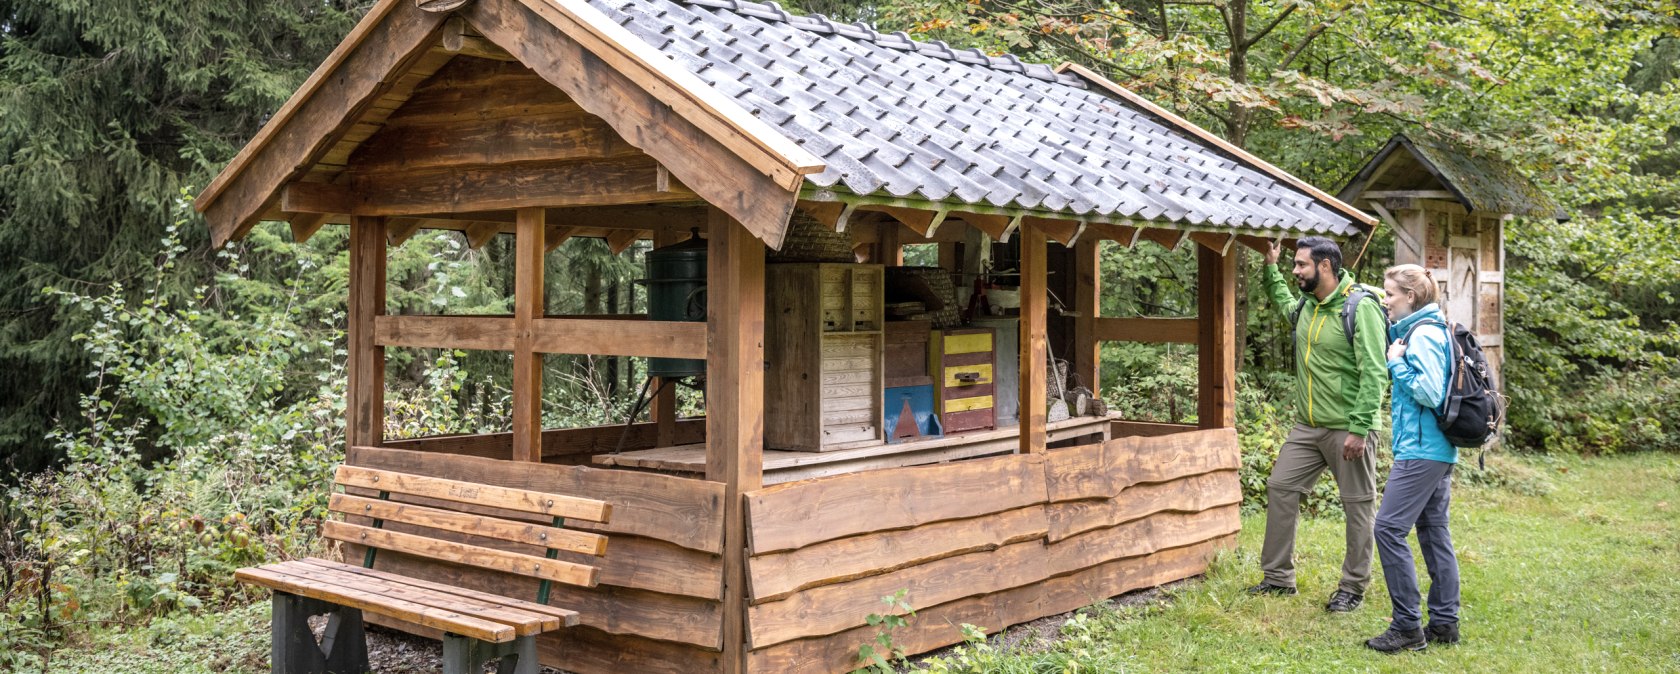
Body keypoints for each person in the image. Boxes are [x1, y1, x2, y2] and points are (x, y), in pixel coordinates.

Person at [1248, 237, 1389, 613]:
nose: (1296, 271)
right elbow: (1282, 303)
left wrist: (1360, 428)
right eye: (1293, 265)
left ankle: (1353, 587)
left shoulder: (1360, 309)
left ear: (1325, 267)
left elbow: (1375, 372)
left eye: (1301, 265)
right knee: (1281, 486)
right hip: (1307, 427)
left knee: (1357, 506)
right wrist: (1270, 268)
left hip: (1348, 426)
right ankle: (1278, 578)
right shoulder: (1306, 306)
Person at [1365, 264, 1462, 652]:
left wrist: (1395, 361)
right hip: (1435, 449)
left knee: (1387, 529)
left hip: (1421, 452)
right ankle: (1444, 623)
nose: (1386, 301)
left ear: (1412, 297)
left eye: (1390, 294)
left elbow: (1429, 391)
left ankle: (1407, 627)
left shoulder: (1422, 337)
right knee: (1434, 531)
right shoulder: (1422, 329)